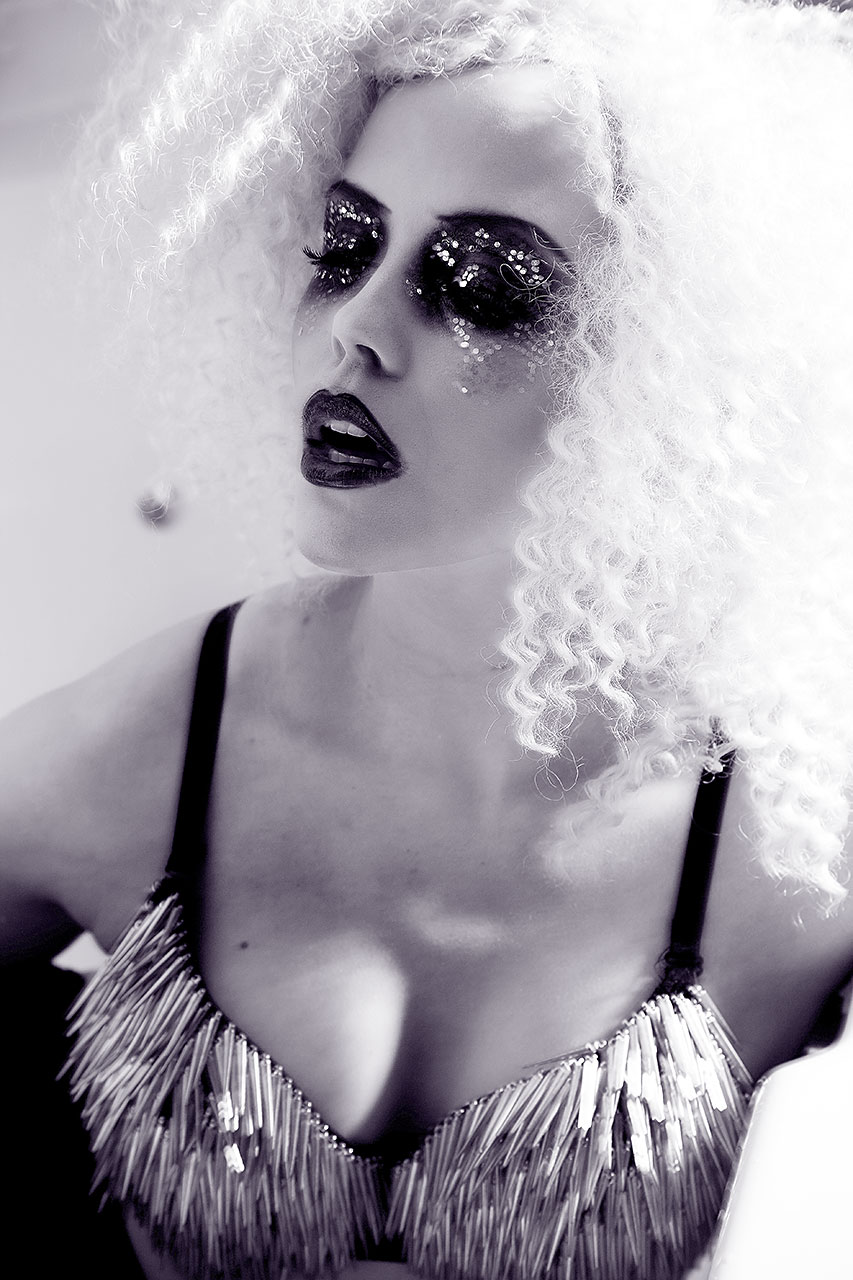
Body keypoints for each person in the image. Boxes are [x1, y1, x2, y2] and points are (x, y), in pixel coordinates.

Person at [2, 1, 853, 1277]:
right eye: (348, 244)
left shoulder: (796, 846)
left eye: (481, 286)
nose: (357, 323)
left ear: (670, 367)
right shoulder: (134, 750)